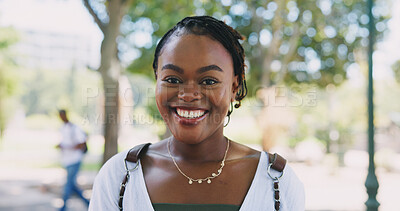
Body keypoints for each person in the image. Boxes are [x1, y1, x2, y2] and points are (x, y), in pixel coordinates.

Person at [89, 16, 304, 211]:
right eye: (172, 80)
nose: (189, 94)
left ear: (234, 87)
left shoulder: (276, 182)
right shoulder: (120, 177)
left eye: (209, 81)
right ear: (157, 81)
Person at [57, 109, 90, 211]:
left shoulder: (74, 128)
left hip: (75, 160)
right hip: (67, 160)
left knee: (68, 185)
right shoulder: (62, 128)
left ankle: (63, 208)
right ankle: (89, 204)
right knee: (72, 185)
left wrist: (67, 147)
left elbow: (81, 143)